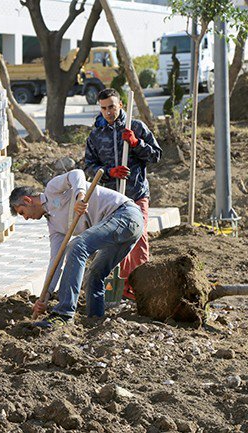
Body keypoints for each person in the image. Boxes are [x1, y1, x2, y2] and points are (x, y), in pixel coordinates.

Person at [9, 169, 144, 329]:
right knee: (94, 274)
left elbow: (77, 174)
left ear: (27, 200)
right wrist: (46, 296)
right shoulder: (54, 226)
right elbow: (56, 261)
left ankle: (63, 314)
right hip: (119, 230)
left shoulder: (52, 189)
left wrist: (80, 197)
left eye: (22, 212)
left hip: (126, 215)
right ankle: (95, 321)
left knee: (77, 246)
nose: (25, 218)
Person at [84, 88, 161, 299]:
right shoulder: (96, 134)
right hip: (112, 200)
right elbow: (89, 166)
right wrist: (108, 172)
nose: (108, 112)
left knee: (138, 239)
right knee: (117, 241)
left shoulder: (135, 127)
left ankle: (142, 285)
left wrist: (137, 144)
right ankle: (124, 287)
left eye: (111, 107)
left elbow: (156, 155)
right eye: (103, 108)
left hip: (136, 194)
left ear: (120, 105)